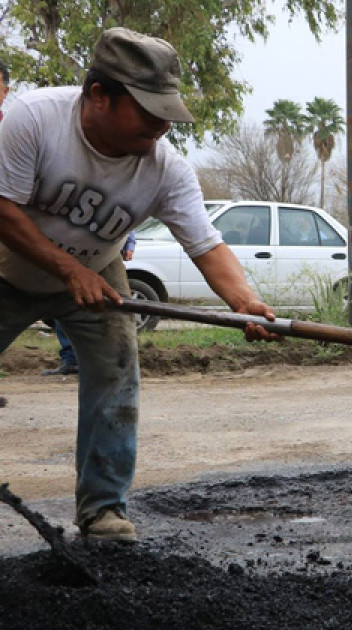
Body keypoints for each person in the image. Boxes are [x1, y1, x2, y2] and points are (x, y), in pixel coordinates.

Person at [0, 27, 279, 541]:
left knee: (116, 374)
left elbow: (206, 245)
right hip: (8, 265)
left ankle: (103, 509)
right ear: (99, 95)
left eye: (165, 112)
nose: (160, 126)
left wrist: (245, 303)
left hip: (97, 272)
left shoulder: (165, 168)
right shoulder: (33, 120)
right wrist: (67, 270)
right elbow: (3, 210)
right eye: (148, 110)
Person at [43, 233, 138, 376]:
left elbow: (126, 218)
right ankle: (71, 359)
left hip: (104, 253)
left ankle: (113, 366)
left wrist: (130, 244)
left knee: (114, 315)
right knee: (65, 305)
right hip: (64, 250)